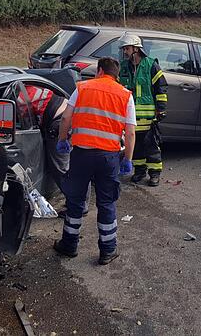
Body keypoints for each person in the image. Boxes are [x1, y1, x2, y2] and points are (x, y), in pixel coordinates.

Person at [53, 57, 136, 265]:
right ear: (116, 76)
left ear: (99, 71)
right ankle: (107, 250)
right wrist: (127, 159)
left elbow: (65, 118)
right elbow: (131, 132)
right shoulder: (125, 95)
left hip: (81, 154)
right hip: (108, 158)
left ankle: (69, 245)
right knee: (106, 202)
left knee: (75, 200)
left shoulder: (82, 88)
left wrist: (63, 140)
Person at [117, 33, 168, 186]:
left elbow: (161, 88)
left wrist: (161, 109)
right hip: (130, 116)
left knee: (151, 145)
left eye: (127, 48)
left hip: (148, 115)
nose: (125, 52)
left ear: (136, 49)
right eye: (124, 49)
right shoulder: (123, 67)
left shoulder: (151, 65)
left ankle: (154, 173)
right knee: (136, 146)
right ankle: (139, 171)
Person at [20, 84, 70, 191]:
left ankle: (76, 203)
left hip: (59, 122)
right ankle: (79, 201)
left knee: (60, 167)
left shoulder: (20, 98)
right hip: (68, 112)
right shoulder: (31, 86)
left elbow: (22, 121)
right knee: (70, 165)